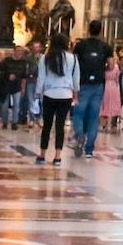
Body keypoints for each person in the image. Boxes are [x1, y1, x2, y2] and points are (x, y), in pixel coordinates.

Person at [35, 32, 79, 166]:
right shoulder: (73, 59)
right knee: (60, 126)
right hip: (65, 94)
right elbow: (76, 79)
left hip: (49, 93)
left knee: (47, 126)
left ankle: (42, 155)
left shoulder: (45, 58)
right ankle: (58, 156)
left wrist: (38, 93)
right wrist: (75, 95)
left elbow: (41, 78)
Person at [72, 19, 113, 157]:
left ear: (88, 30)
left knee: (79, 113)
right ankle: (89, 149)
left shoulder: (80, 46)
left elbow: (74, 63)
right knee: (93, 116)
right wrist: (102, 68)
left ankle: (79, 135)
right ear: (101, 30)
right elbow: (111, 66)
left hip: (82, 83)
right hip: (98, 84)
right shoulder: (106, 47)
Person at [100, 52, 123, 131]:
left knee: (104, 105)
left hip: (105, 86)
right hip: (114, 87)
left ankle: (103, 124)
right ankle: (111, 124)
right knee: (112, 104)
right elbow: (117, 77)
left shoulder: (104, 67)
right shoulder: (116, 67)